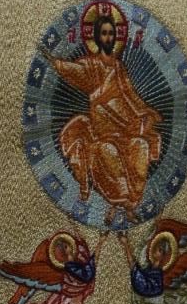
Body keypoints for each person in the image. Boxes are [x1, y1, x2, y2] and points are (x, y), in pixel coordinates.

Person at [42, 14, 162, 222]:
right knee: (108, 152)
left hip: (125, 129)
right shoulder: (92, 66)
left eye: (111, 33)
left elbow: (130, 96)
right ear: (97, 37)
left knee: (141, 146)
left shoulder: (119, 68)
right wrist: (57, 62)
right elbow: (74, 70)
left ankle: (132, 203)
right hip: (103, 134)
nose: (108, 37)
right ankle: (119, 205)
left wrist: (145, 113)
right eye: (104, 33)